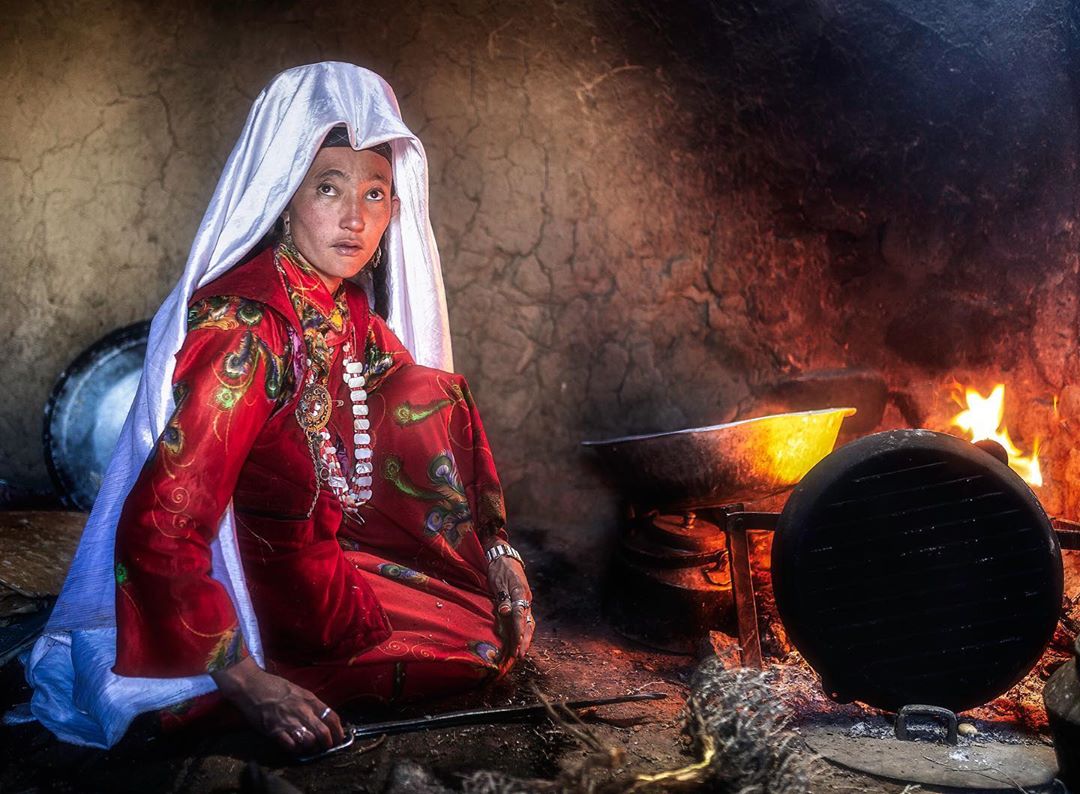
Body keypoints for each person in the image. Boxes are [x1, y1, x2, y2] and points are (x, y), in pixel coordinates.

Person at [21, 63, 534, 753]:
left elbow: (435, 411)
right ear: (285, 196)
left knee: (428, 419)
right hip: (252, 607)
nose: (355, 218)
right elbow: (162, 524)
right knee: (468, 650)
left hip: (321, 574)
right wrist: (242, 675)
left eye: (375, 193)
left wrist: (496, 543)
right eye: (329, 188)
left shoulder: (340, 309)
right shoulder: (245, 331)